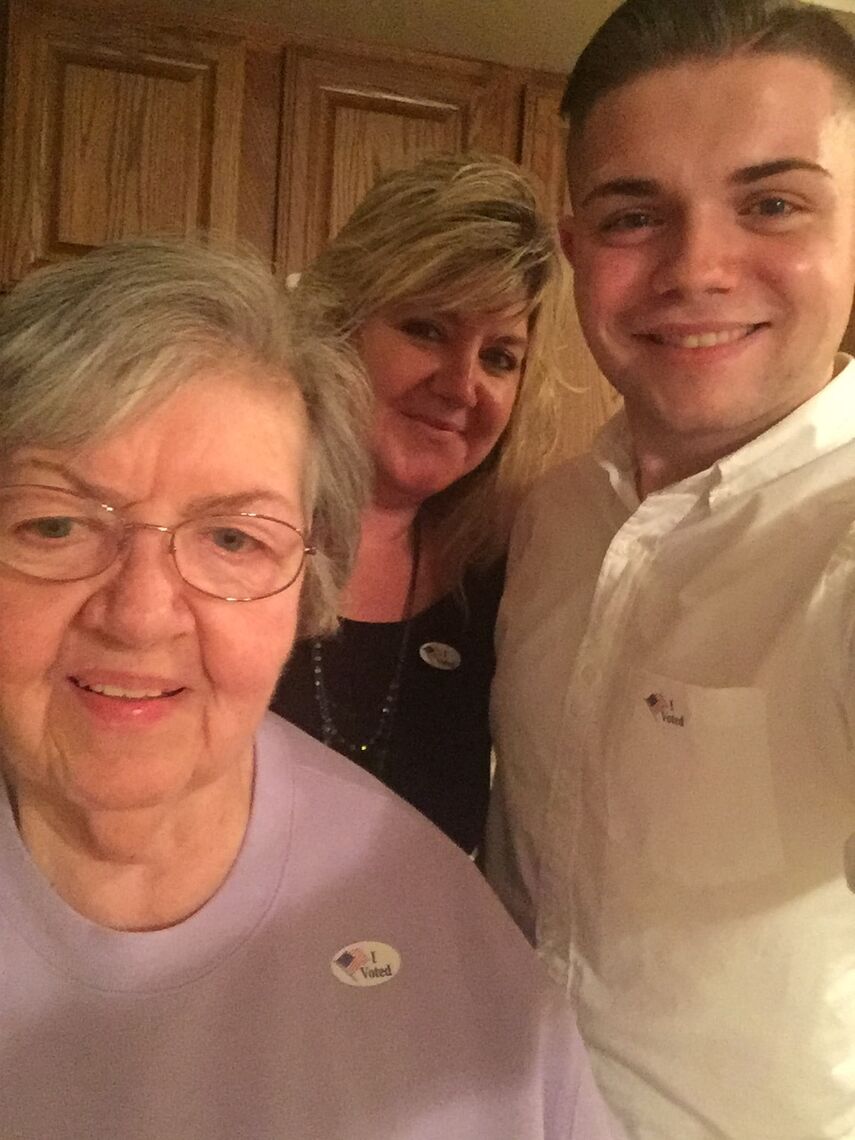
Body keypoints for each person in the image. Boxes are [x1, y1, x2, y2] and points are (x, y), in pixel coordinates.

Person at [0, 238, 622, 1140]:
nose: (138, 616)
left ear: (309, 584)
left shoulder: (440, 934)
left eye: (232, 540)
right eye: (54, 525)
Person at [485, 1, 855, 1137]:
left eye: (773, 203)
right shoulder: (549, 520)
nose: (697, 268)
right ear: (574, 249)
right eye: (635, 215)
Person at [270, 154, 571, 854]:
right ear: (337, 327)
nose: (462, 386)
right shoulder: (222, 532)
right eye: (426, 329)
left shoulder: (506, 579)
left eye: (499, 356)